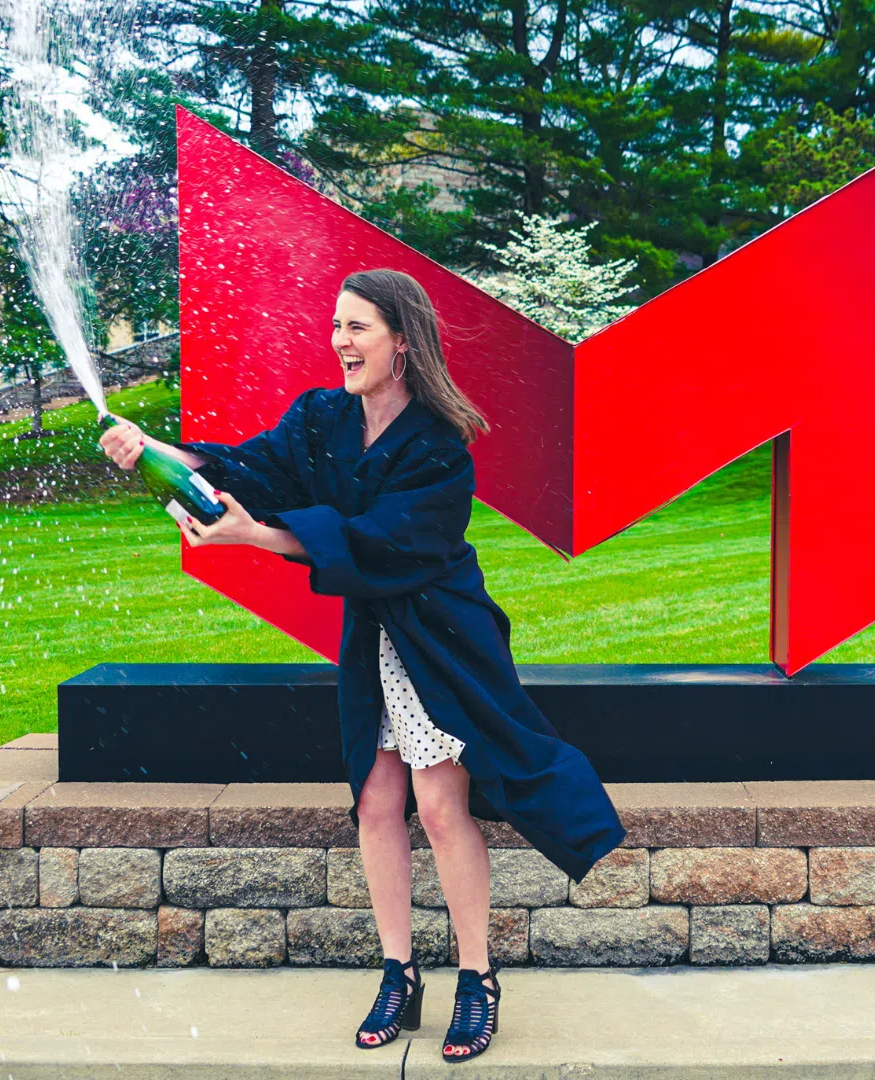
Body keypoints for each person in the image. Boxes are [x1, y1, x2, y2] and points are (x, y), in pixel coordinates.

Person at [99, 268, 626, 1063]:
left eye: (358, 328)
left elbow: (390, 544)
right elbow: (247, 470)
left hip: (441, 636)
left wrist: (261, 539)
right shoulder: (322, 419)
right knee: (376, 801)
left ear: (402, 341)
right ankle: (398, 972)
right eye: (337, 325)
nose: (340, 341)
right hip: (374, 633)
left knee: (441, 805)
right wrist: (152, 451)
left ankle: (476, 979)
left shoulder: (440, 447)